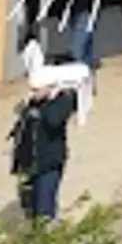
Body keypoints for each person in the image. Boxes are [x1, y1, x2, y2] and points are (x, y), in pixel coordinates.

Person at [9, 69, 78, 224]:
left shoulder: (62, 100)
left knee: (44, 205)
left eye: (36, 90)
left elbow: (53, 121)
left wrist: (43, 105)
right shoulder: (32, 102)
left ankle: (46, 236)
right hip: (28, 161)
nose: (33, 93)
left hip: (49, 162)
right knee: (29, 204)